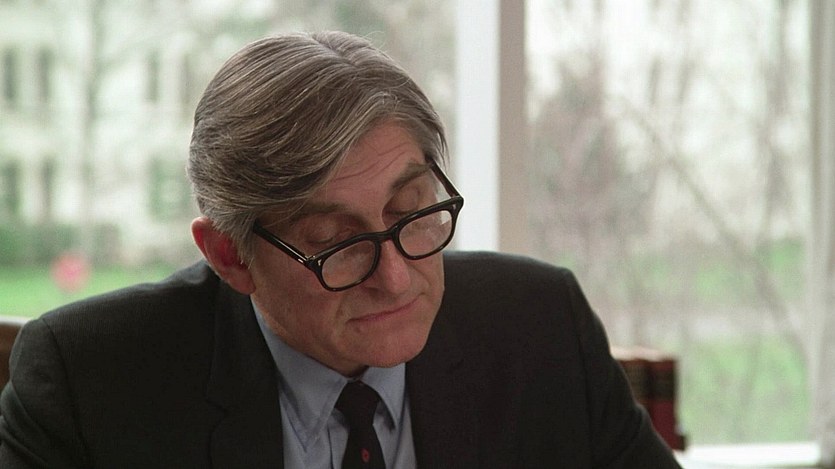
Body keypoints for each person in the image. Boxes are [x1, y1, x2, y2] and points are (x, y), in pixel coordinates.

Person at [0, 31, 681, 468]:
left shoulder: (542, 328)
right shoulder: (90, 383)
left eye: (411, 211)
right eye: (336, 243)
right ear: (230, 255)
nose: (396, 278)